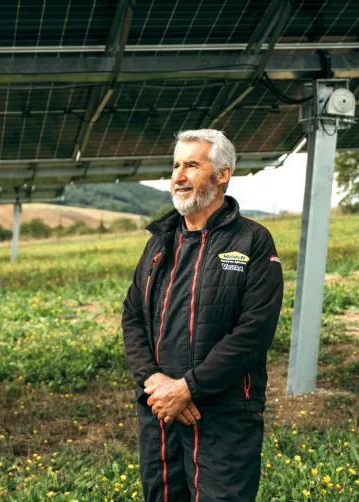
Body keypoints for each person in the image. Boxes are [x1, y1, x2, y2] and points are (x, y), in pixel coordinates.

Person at [122, 129, 284, 501]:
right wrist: (154, 382)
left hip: (223, 412)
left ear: (222, 174)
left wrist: (188, 388)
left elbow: (254, 331)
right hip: (159, 410)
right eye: (176, 165)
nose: (178, 176)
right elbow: (133, 316)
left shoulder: (252, 241)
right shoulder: (159, 242)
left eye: (192, 165)